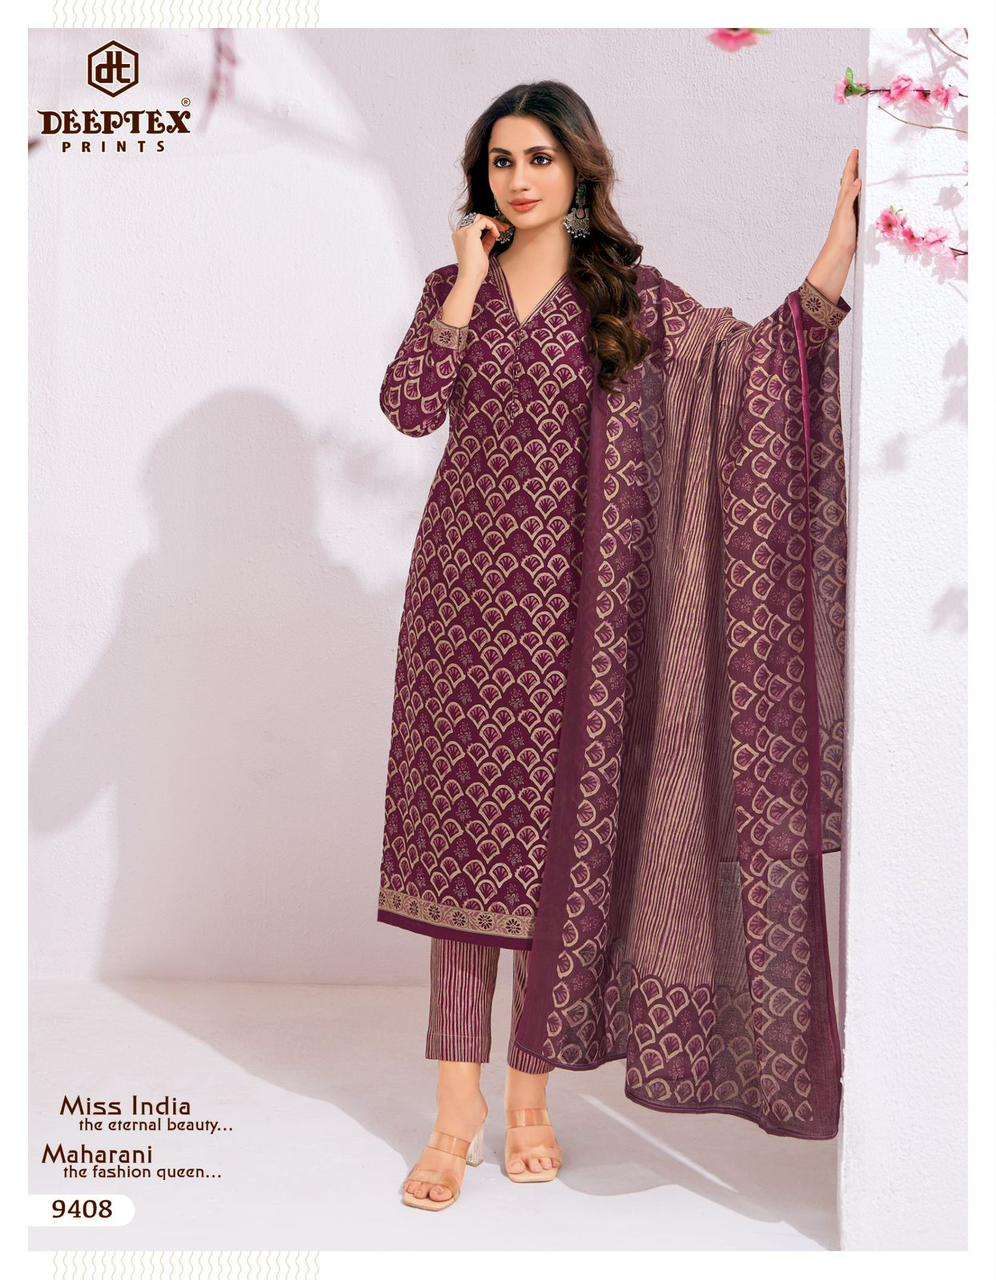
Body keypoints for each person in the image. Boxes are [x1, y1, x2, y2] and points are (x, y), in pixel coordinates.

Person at [375, 80, 858, 1211]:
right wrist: (469, 282)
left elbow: (749, 369)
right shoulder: (453, 289)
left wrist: (838, 248)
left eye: (539, 158)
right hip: (460, 613)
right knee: (462, 875)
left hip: (582, 627)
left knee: (559, 870)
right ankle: (454, 1118)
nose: (519, 179)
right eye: (501, 161)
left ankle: (530, 1104)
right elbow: (408, 406)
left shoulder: (627, 299)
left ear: (580, 170)